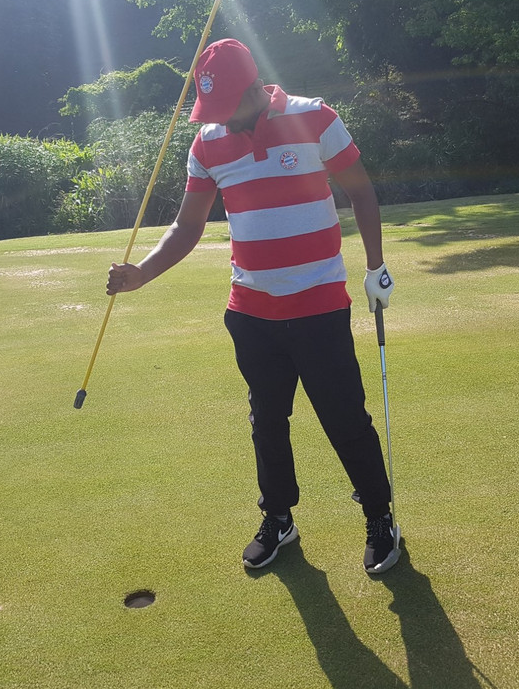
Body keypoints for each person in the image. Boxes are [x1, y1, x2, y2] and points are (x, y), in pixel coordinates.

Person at [106, 38, 399, 574]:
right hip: (251, 312)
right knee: (267, 420)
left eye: (226, 106)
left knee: (344, 418)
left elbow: (361, 191)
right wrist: (141, 273)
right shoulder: (207, 144)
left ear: (253, 87)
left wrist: (375, 266)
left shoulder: (315, 117)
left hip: (318, 306)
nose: (220, 119)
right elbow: (187, 226)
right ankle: (278, 518)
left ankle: (380, 517)